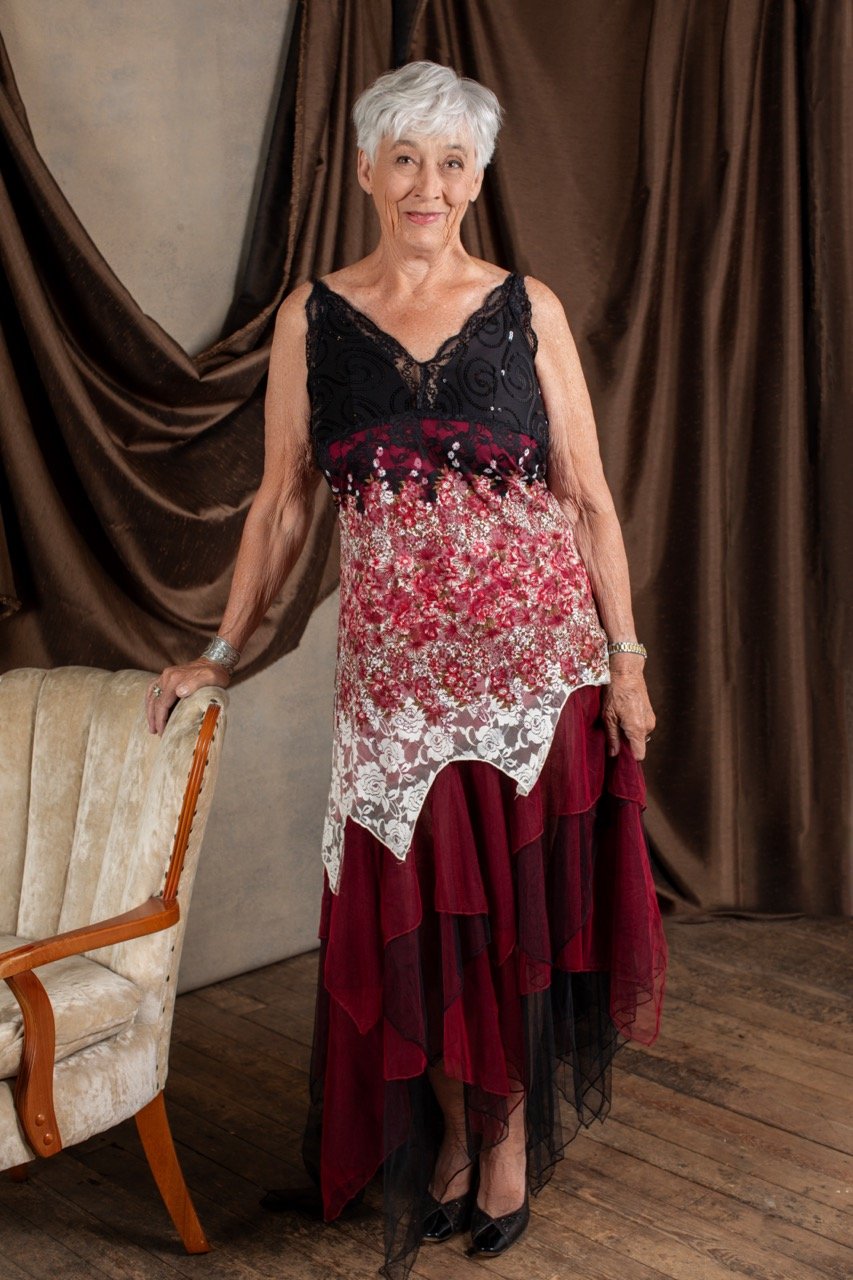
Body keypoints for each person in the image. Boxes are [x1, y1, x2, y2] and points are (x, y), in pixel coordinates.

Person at [146, 59, 668, 1280]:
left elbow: (588, 499)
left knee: (510, 922)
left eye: (450, 161)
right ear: (371, 172)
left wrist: (627, 659)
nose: (426, 182)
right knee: (418, 920)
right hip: (393, 689)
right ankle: (444, 1124)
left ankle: (503, 1137)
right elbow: (279, 504)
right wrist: (221, 650)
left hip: (535, 675)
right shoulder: (310, 321)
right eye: (404, 158)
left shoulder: (526, 307)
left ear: (476, 177)